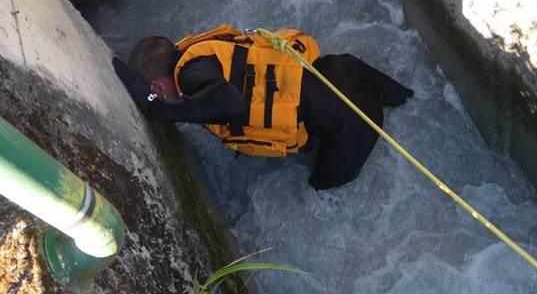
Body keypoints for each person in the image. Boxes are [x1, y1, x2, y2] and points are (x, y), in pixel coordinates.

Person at [112, 24, 412, 190]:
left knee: (323, 186)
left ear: (158, 88)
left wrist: (162, 111)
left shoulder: (189, 77)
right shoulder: (200, 51)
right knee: (410, 103)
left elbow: (230, 101)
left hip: (347, 119)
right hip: (343, 69)